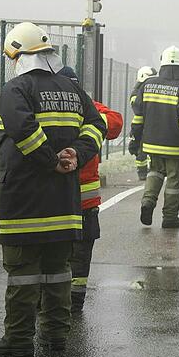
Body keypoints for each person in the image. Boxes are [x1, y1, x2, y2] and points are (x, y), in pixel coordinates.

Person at [0, 23, 106, 357]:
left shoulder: (15, 90)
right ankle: (56, 338)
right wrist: (76, 154)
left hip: (24, 199)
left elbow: (22, 128)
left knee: (23, 275)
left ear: (18, 55)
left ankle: (18, 340)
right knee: (59, 273)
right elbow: (97, 125)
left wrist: (50, 160)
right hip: (64, 200)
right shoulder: (72, 90)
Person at [57, 67, 123, 312]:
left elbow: (115, 122)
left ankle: (68, 301)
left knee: (68, 252)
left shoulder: (86, 107)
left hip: (69, 198)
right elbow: (113, 123)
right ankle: (69, 301)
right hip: (79, 200)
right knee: (76, 253)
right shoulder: (88, 107)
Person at [130, 46, 179, 229]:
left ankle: (147, 202)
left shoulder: (147, 85)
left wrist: (135, 139)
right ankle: (169, 217)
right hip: (175, 146)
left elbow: (138, 117)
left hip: (151, 143)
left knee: (155, 172)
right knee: (174, 180)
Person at [130, 66, 156, 181]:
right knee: (141, 149)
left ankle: (149, 170)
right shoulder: (137, 92)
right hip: (143, 124)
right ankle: (142, 171)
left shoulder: (147, 88)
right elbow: (138, 109)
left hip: (149, 123)